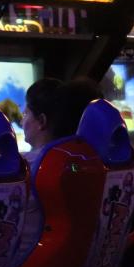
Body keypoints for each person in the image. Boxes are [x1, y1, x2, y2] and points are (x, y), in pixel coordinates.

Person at [21, 77, 102, 240]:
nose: (22, 120)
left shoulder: (23, 168)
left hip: (27, 263)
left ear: (42, 121)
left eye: (25, 113)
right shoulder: (97, 164)